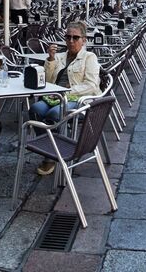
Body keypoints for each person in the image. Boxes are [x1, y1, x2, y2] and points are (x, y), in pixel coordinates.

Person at [30, 21, 100, 175]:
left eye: (75, 38)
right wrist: (50, 60)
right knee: (35, 110)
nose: (71, 41)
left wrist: (67, 92)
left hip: (79, 99)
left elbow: (91, 85)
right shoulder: (60, 56)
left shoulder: (89, 57)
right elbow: (48, 82)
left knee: (55, 114)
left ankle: (56, 155)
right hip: (54, 97)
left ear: (84, 40)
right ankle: (50, 152)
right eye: (68, 37)